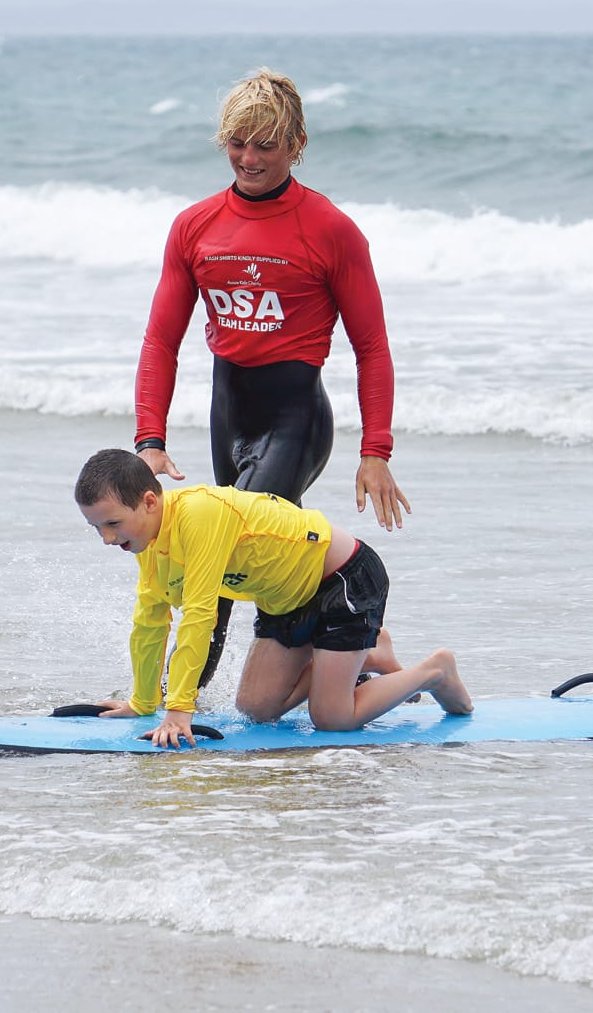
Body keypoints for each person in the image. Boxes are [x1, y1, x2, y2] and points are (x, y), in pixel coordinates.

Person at [133, 68, 409, 687]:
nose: (249, 158)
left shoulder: (331, 229)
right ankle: (362, 650)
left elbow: (372, 346)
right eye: (238, 143)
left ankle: (182, 696)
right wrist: (149, 440)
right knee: (255, 554)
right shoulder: (194, 225)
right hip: (228, 414)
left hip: (296, 419)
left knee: (224, 550)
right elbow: (161, 340)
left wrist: (376, 452)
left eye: (265, 144)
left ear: (296, 144)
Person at [72, 449, 471, 749]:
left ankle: (435, 670)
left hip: (342, 578)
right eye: (97, 528)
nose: (108, 538)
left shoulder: (198, 514)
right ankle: (367, 653)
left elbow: (199, 615)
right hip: (285, 600)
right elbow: (150, 621)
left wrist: (178, 710)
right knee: (257, 708)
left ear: (150, 502)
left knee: (332, 718)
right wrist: (142, 702)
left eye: (113, 524)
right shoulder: (147, 542)